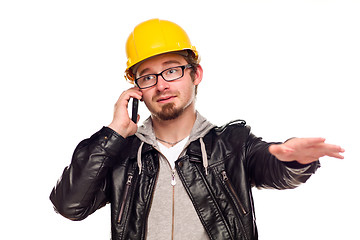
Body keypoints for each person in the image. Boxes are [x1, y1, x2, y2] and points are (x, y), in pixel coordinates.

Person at [50, 18, 345, 240]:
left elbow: (270, 167)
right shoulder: (123, 155)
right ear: (136, 88)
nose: (162, 84)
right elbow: (69, 205)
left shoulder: (231, 144)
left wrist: (292, 159)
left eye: (171, 69)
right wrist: (113, 135)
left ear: (195, 74)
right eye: (147, 77)